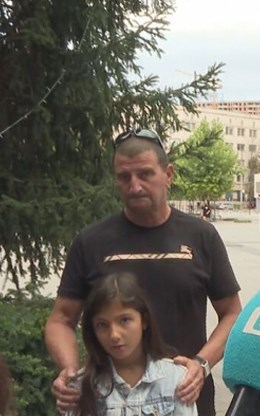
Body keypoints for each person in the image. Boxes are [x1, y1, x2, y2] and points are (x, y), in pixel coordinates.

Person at [45, 128, 242, 416]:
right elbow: (61, 319)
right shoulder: (91, 241)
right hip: (107, 402)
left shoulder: (201, 235)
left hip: (185, 397)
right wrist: (71, 372)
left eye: (145, 174)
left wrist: (201, 364)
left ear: (168, 174)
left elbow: (233, 313)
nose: (135, 186)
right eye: (124, 177)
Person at [66, 272, 196, 416]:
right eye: (102, 325)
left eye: (124, 320)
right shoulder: (81, 387)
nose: (114, 335)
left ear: (144, 320)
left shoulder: (175, 380)